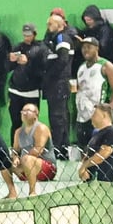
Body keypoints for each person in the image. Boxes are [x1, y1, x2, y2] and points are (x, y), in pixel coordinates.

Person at [42, 11, 78, 160]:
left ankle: (59, 150)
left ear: (59, 25)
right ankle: (60, 149)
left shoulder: (62, 38)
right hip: (55, 84)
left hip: (59, 83)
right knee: (57, 117)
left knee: (58, 118)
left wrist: (49, 75)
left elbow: (63, 60)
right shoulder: (52, 39)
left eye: (50, 24)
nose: (48, 26)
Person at [1, 103, 56, 198]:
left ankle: (32, 192)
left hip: (46, 168)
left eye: (28, 111)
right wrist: (15, 158)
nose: (24, 113)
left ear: (36, 114)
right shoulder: (18, 132)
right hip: (24, 166)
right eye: (23, 111)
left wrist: (22, 160)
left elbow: (38, 150)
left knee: (28, 159)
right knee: (3, 162)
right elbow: (15, 150)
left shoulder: (41, 128)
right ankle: (12, 192)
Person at [75, 37, 113, 150]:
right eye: (83, 47)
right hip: (82, 115)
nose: (85, 50)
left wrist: (110, 108)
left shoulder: (105, 65)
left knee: (99, 149)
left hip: (98, 115)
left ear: (97, 48)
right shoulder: (81, 67)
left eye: (89, 47)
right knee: (84, 148)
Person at [7, 23, 45, 140]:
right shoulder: (18, 47)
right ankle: (15, 148)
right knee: (16, 123)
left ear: (35, 34)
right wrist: (11, 60)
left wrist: (28, 62)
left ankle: (34, 146)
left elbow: (43, 69)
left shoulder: (40, 48)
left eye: (29, 35)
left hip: (31, 92)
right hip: (15, 91)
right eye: (25, 35)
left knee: (32, 124)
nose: (26, 38)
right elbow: (8, 68)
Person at [78, 103, 113, 183]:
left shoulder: (112, 132)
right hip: (93, 180)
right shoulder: (96, 134)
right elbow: (89, 154)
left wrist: (84, 166)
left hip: (107, 181)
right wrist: (84, 170)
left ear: (104, 115)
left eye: (95, 114)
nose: (92, 117)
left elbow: (102, 155)